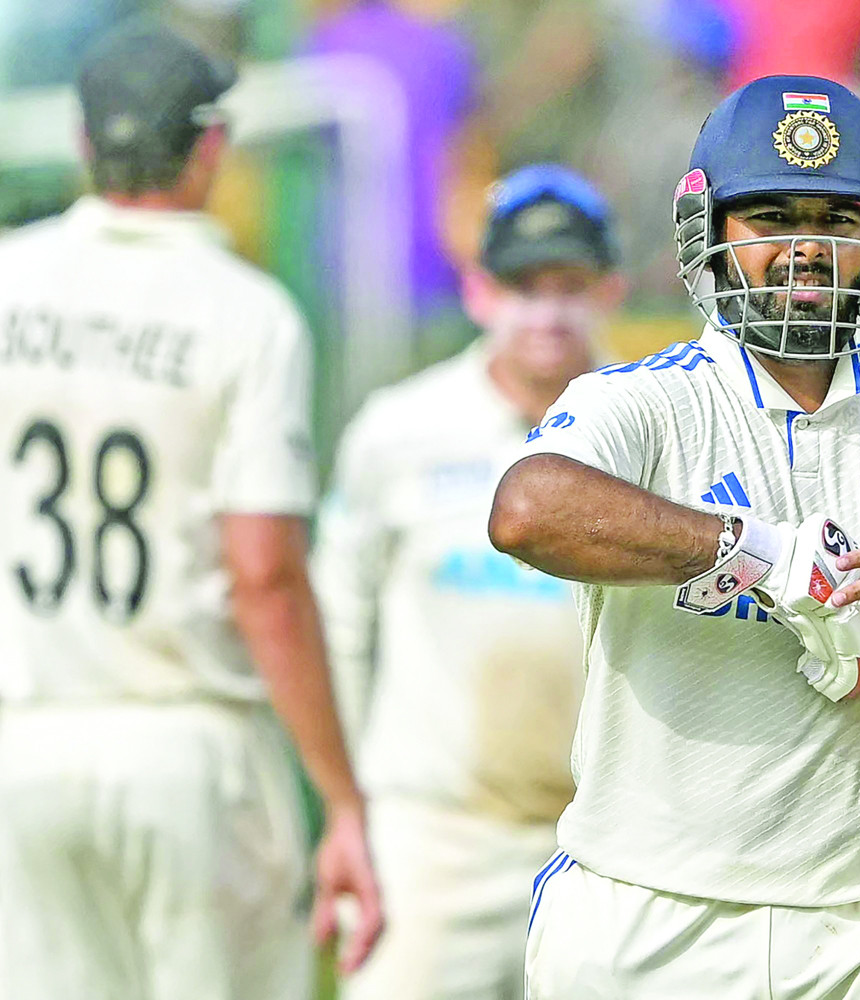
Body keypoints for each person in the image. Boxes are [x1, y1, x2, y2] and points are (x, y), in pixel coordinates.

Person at [488, 75, 860, 999]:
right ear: (709, 234)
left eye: (837, 221)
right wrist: (759, 552)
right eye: (769, 217)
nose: (804, 253)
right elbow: (526, 510)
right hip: (651, 909)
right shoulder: (646, 401)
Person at [0, 20, 382, 1000]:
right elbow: (263, 575)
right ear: (210, 144)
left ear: (84, 144)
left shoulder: (10, 278)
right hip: (187, 748)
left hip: (25, 739)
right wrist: (340, 795)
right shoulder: (245, 313)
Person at [314, 164, 622, 1000]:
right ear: (479, 292)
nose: (548, 313)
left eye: (569, 285)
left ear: (611, 289)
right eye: (523, 286)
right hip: (431, 839)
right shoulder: (398, 429)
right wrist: (346, 808)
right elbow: (335, 621)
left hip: (609, 841)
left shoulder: (657, 429)